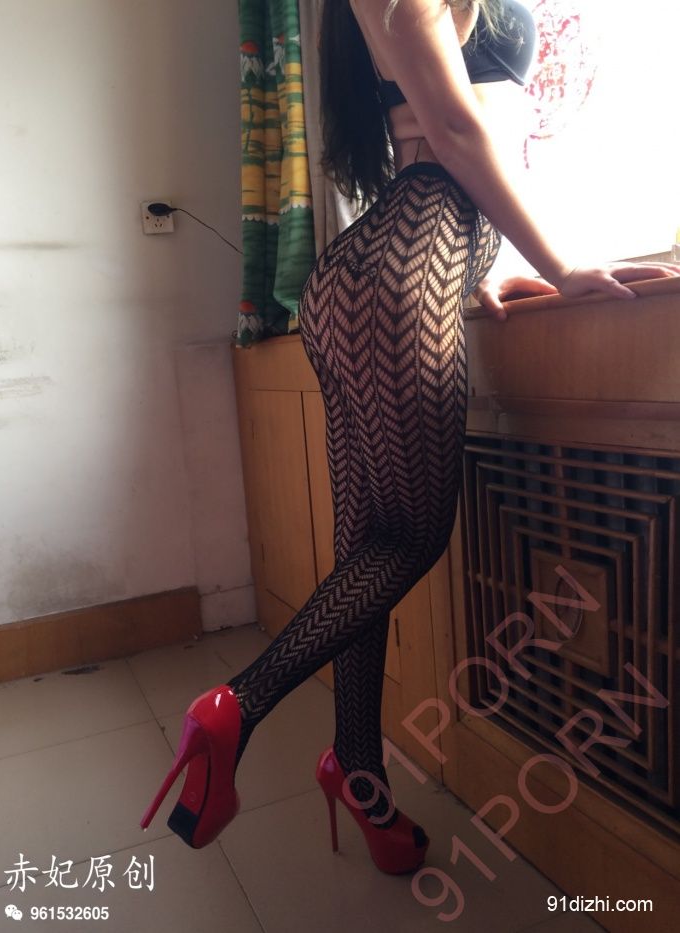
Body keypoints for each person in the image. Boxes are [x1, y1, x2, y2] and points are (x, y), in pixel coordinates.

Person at [141, 0, 679, 874]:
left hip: (373, 275)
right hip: (405, 271)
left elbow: (441, 137)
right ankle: (235, 706)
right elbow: (458, 130)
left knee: (368, 549)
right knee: (412, 538)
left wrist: (474, 271)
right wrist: (558, 264)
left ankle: (356, 768)